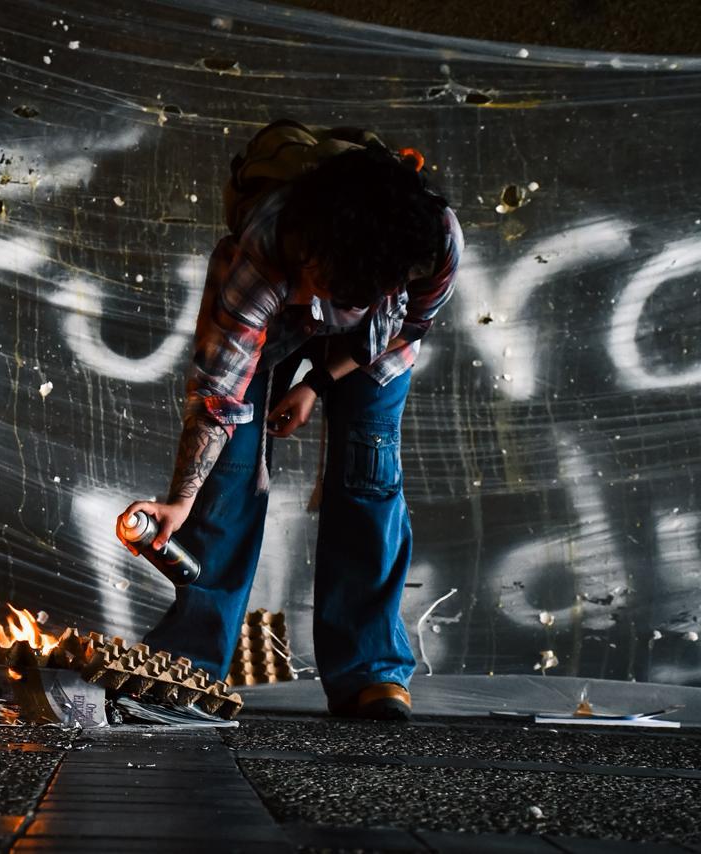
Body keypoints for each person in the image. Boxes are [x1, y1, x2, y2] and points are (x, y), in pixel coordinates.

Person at [122, 120, 462, 720]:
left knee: (368, 473)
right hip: (262, 329)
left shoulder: (432, 248)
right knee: (228, 478)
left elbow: (408, 329)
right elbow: (217, 394)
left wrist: (317, 384)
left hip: (375, 345)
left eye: (327, 295)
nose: (311, 305)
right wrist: (178, 501)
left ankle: (371, 669)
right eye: (310, 283)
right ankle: (192, 663)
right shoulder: (265, 251)